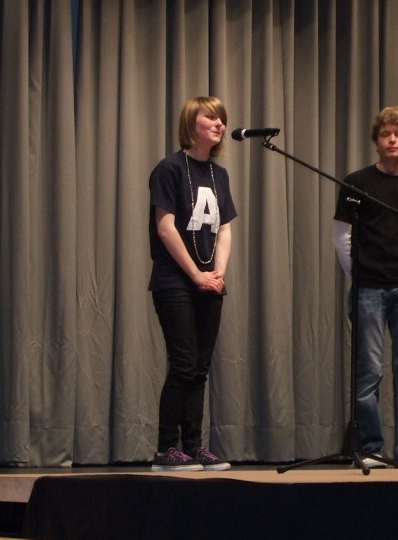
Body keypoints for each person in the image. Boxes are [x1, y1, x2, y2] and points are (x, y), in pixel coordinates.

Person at [333, 106, 398, 469]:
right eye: (385, 134)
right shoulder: (357, 182)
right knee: (369, 372)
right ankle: (372, 449)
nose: (392, 140)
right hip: (368, 290)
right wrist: (358, 275)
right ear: (376, 141)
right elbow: (342, 236)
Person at [148, 96, 237, 471]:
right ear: (191, 122)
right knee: (183, 364)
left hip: (209, 281)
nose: (219, 124)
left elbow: (225, 228)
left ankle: (195, 446)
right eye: (211, 117)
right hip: (175, 281)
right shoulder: (169, 169)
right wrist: (195, 274)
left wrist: (218, 273)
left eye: (222, 119)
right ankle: (166, 449)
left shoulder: (219, 175)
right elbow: (166, 227)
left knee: (200, 369)